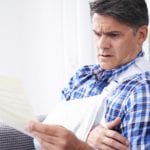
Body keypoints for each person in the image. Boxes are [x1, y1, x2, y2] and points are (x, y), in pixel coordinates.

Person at [26, 0, 150, 149]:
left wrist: (80, 146)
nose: (102, 45)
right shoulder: (82, 76)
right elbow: (50, 131)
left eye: (113, 35)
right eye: (97, 34)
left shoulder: (142, 91)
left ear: (141, 35)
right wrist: (87, 133)